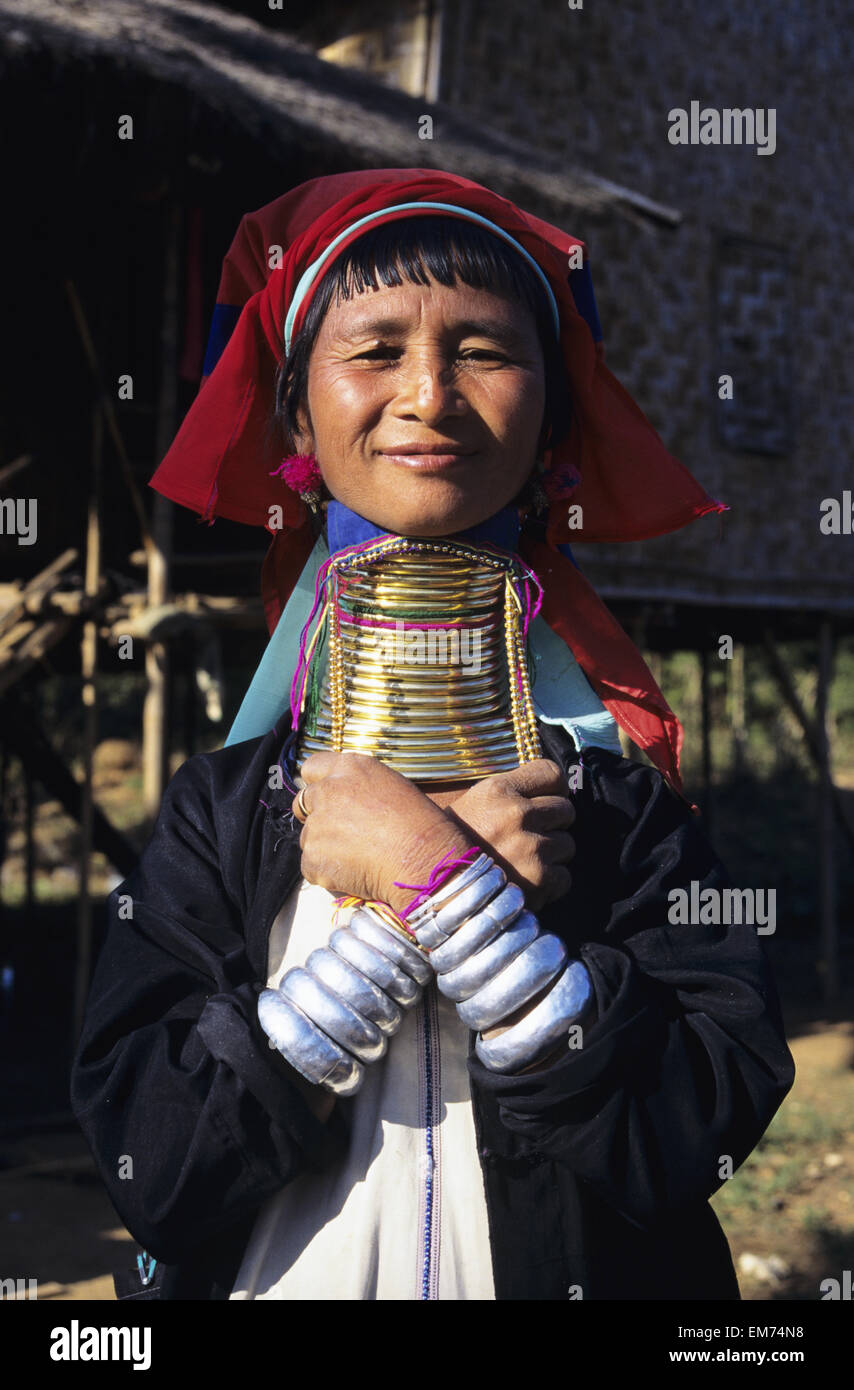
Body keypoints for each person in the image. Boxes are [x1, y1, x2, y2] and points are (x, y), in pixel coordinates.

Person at [71, 168, 795, 1301]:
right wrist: (436, 903)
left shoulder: (622, 813)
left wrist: (425, 874)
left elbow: (675, 1141)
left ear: (550, 415)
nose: (428, 395)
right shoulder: (219, 817)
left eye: (483, 351)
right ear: (296, 414)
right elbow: (152, 1165)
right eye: (372, 351)